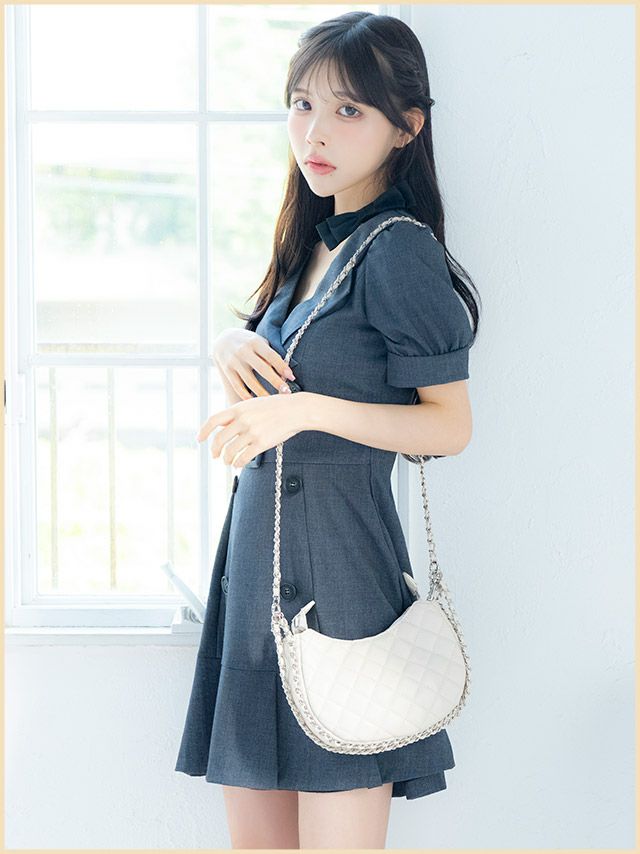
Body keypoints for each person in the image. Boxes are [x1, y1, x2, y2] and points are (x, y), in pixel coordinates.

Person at [175, 10, 481, 849]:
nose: (315, 131)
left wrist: (307, 410)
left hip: (344, 580)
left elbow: (449, 427)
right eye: (302, 104)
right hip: (257, 575)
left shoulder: (397, 250)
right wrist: (230, 341)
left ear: (405, 127)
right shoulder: (312, 244)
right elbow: (281, 372)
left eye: (349, 110)